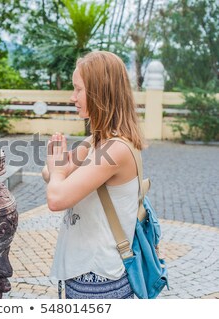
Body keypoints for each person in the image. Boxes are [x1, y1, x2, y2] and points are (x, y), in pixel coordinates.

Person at [42, 51, 145, 299]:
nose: (72, 97)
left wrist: (57, 169)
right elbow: (54, 175)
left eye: (78, 90)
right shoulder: (98, 140)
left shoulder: (115, 149)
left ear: (100, 92)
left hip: (98, 279)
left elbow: (56, 198)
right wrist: (57, 168)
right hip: (85, 271)